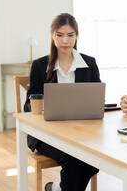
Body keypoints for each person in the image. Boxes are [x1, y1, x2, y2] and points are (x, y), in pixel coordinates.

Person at [24, 13, 100, 191]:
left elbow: (97, 98)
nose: (65, 40)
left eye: (70, 35)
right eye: (60, 35)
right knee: (76, 158)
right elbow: (28, 106)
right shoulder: (40, 65)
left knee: (97, 156)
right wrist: (41, 104)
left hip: (81, 132)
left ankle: (58, 188)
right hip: (45, 134)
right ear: (52, 35)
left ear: (76, 36)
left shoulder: (89, 63)